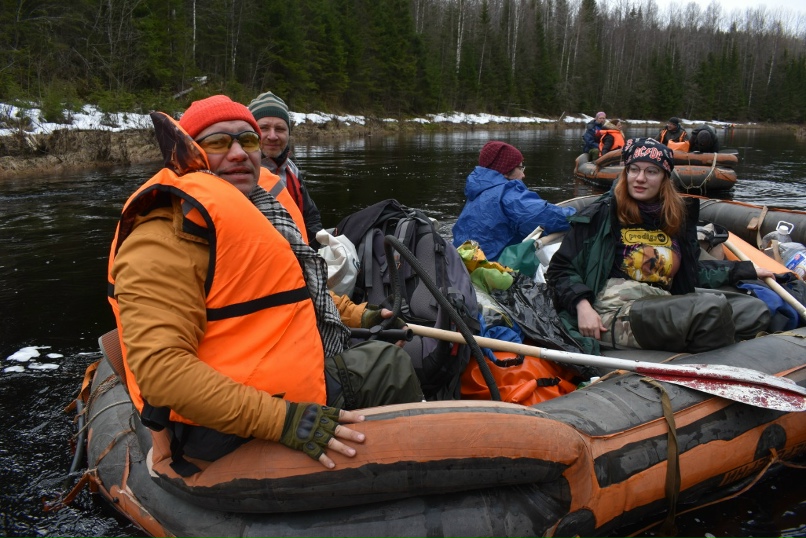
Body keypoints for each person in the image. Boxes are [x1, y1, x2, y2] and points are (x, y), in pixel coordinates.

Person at [107, 95, 423, 473]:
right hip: (214, 423)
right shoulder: (164, 236)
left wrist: (362, 316)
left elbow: (294, 291)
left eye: (248, 140)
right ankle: (409, 469)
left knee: (380, 343)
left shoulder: (258, 211)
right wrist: (286, 421)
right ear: (189, 156)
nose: (239, 153)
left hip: (261, 375)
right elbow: (162, 374)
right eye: (219, 143)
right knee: (387, 365)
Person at [546, 137, 773, 355]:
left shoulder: (676, 220)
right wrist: (582, 306)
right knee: (711, 310)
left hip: (662, 301)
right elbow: (559, 269)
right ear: (626, 173)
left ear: (665, 177)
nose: (640, 178)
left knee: (754, 310)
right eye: (634, 169)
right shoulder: (601, 215)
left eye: (651, 171)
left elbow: (690, 274)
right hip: (613, 308)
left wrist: (744, 270)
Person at [452, 141, 576, 261]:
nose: (523, 175)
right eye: (520, 168)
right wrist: (579, 214)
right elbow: (547, 218)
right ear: (506, 170)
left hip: (463, 265)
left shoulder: (478, 191)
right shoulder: (507, 193)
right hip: (494, 269)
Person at [248, 91, 323, 248]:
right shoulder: (240, 171)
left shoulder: (292, 169)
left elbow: (311, 218)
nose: (273, 136)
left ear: (289, 133)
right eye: (264, 128)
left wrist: (319, 250)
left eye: (280, 129)